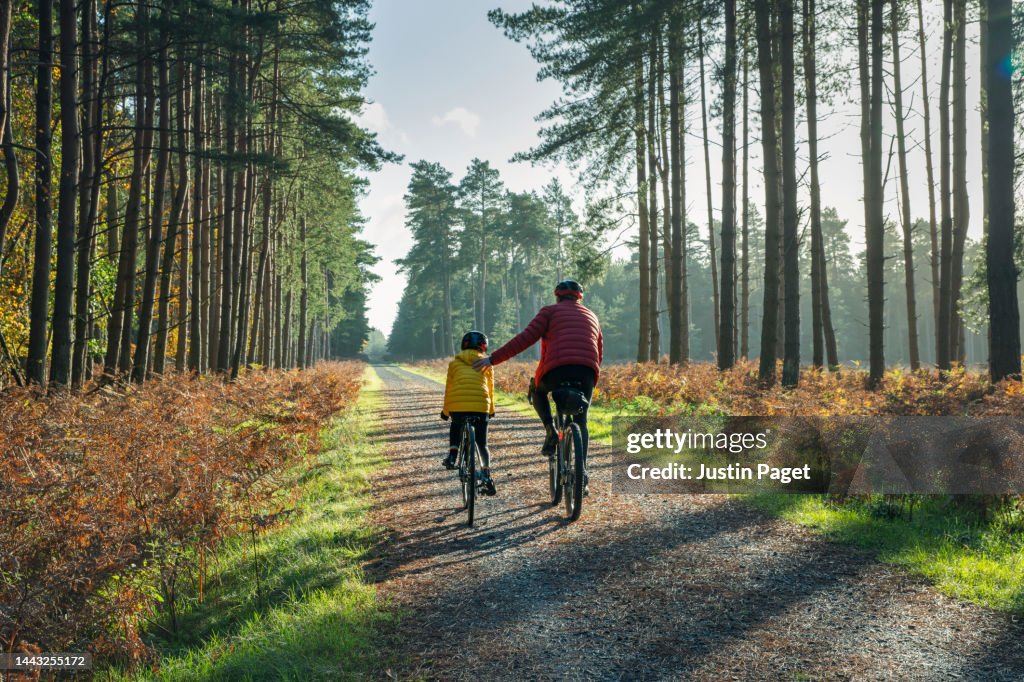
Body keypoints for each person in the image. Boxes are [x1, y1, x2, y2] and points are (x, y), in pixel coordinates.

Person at [473, 280, 602, 463]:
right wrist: (590, 378)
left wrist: (493, 359)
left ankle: (550, 428)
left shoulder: (549, 312)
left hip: (556, 371)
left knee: (537, 390)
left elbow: (525, 338)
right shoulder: (592, 316)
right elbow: (599, 351)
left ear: (557, 296)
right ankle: (584, 475)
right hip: (586, 372)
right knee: (581, 421)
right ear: (579, 298)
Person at [441, 330, 496, 496]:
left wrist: (446, 411)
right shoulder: (487, 363)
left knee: (456, 425)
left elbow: (449, 389)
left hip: (458, 405)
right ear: (483, 346)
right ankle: (486, 474)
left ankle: (452, 454)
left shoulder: (454, 364)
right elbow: (491, 389)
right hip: (481, 407)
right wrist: (491, 410)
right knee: (482, 444)